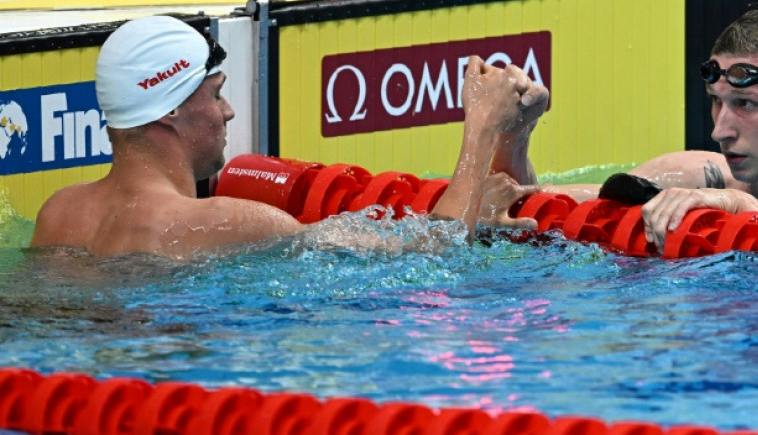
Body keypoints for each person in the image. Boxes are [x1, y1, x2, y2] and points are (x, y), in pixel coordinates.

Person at [30, 16, 546, 260]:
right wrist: (481, 128)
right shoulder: (225, 221)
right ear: (169, 112)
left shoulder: (59, 214)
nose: (229, 111)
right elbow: (435, 255)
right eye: (216, 95)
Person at [488, 2, 758, 251]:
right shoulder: (695, 175)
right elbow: (525, 212)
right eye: (717, 103)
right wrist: (514, 136)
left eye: (746, 104)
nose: (720, 130)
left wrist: (742, 210)